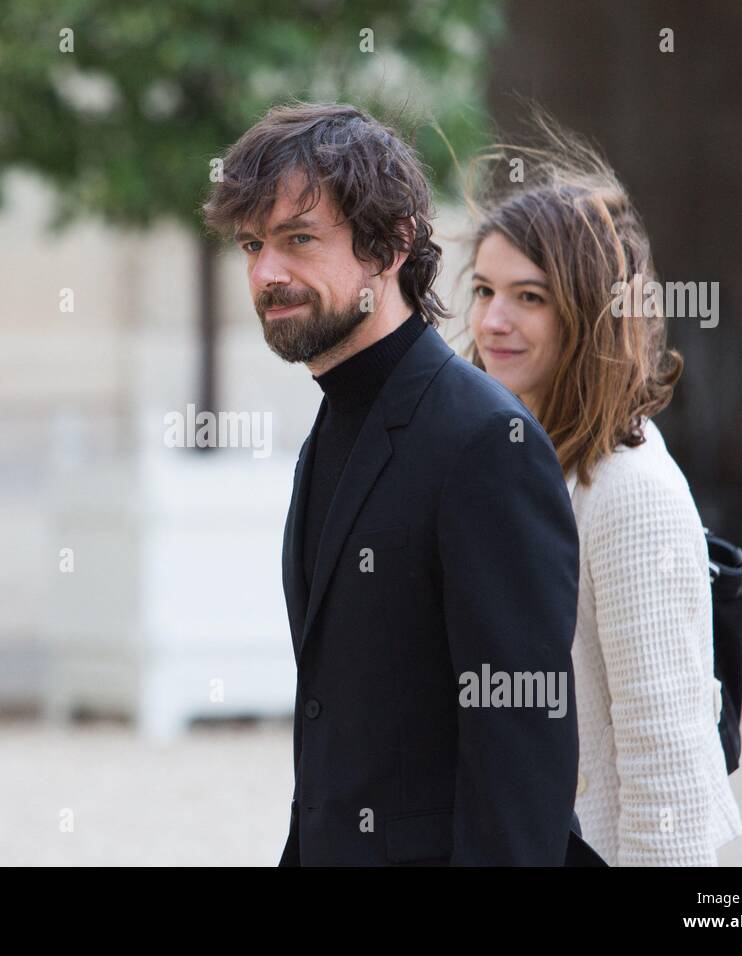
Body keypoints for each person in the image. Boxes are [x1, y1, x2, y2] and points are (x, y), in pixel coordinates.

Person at [203, 101, 590, 865]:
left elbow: (521, 752)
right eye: (252, 244)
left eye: (298, 240)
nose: (266, 272)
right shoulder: (337, 425)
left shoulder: (484, 441)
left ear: (391, 245)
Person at [462, 120, 742, 865]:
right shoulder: (516, 460)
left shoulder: (631, 491)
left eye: (529, 296)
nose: (492, 321)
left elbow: (671, 757)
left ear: (590, 313)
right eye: (484, 290)